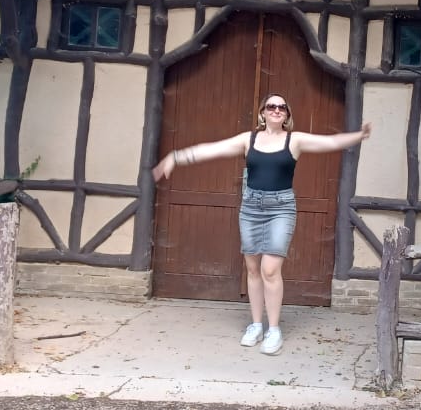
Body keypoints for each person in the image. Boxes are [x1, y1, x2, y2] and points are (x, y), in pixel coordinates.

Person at [151, 93, 371, 355]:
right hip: (251, 207)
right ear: (263, 113)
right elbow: (213, 149)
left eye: (282, 107)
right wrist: (175, 157)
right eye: (271, 106)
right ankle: (256, 325)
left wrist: (358, 135)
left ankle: (274, 330)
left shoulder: (295, 140)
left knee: (270, 269)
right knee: (253, 269)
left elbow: (330, 142)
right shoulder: (249, 139)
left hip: (281, 208)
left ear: (287, 114)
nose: (276, 110)